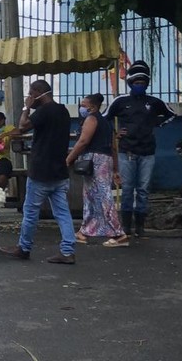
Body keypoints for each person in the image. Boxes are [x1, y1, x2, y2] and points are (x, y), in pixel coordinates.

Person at [1, 80, 76, 264]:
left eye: (30, 93)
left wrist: (26, 108)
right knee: (62, 213)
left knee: (30, 211)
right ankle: (68, 251)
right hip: (59, 171)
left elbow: (22, 126)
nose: (29, 96)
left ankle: (24, 248)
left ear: (37, 92)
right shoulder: (63, 110)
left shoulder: (43, 111)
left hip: (40, 171)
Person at [103, 60, 175, 237]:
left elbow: (171, 115)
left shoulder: (154, 102)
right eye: (136, 82)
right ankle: (126, 226)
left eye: (142, 82)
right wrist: (115, 133)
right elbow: (104, 118)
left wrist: (155, 123)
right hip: (126, 151)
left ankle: (140, 227)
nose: (139, 85)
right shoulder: (120, 101)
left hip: (147, 152)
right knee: (127, 189)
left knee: (143, 190)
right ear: (130, 83)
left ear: (147, 84)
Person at [66, 94, 128, 247]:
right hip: (105, 160)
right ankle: (85, 231)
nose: (81, 108)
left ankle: (118, 234)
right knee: (91, 197)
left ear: (92, 107)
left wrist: (69, 159)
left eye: (83, 105)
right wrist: (115, 169)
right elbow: (113, 147)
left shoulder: (91, 119)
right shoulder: (107, 122)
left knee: (102, 196)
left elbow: (83, 141)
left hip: (95, 160)